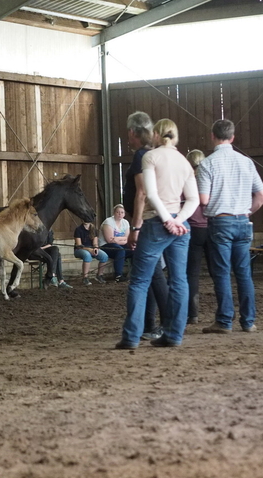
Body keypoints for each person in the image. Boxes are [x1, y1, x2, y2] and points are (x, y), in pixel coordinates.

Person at [116, 118, 199, 349]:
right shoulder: (184, 161)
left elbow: (150, 194)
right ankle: (174, 335)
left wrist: (167, 221)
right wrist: (178, 220)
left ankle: (131, 337)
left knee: (139, 281)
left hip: (156, 223)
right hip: (181, 225)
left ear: (155, 134)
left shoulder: (150, 157)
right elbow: (192, 199)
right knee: (179, 280)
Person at [197, 119, 263, 334]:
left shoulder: (207, 164)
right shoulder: (246, 162)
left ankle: (225, 320)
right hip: (243, 221)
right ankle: (248, 321)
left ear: (212, 136)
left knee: (221, 273)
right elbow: (262, 194)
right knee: (244, 274)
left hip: (220, 222)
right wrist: (247, 211)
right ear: (233, 137)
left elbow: (203, 199)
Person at [124, 111, 169, 340]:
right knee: (152, 273)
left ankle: (168, 323)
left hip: (147, 223)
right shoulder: (155, 154)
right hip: (157, 220)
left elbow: (141, 193)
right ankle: (150, 325)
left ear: (133, 132)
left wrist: (135, 227)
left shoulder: (141, 156)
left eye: (128, 134)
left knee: (150, 275)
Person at [185, 149, 212, 324]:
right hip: (211, 228)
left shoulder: (186, 181)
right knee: (218, 271)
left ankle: (193, 313)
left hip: (193, 229)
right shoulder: (210, 180)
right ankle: (226, 311)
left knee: (192, 273)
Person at [98, 204, 133, 282]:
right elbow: (109, 240)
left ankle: (134, 274)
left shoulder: (125, 222)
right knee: (120, 250)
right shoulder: (108, 222)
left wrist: (116, 239)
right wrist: (122, 239)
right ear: (114, 213)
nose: (120, 214)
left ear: (124, 214)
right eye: (117, 212)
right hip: (106, 246)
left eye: (122, 212)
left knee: (134, 249)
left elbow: (127, 238)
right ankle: (118, 275)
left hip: (119, 245)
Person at [73, 222, 108, 286]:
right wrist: (89, 249)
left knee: (104, 256)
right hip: (80, 250)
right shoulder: (78, 229)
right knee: (87, 255)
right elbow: (79, 245)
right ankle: (85, 277)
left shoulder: (94, 229)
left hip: (91, 249)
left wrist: (95, 249)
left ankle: (99, 275)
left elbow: (95, 243)